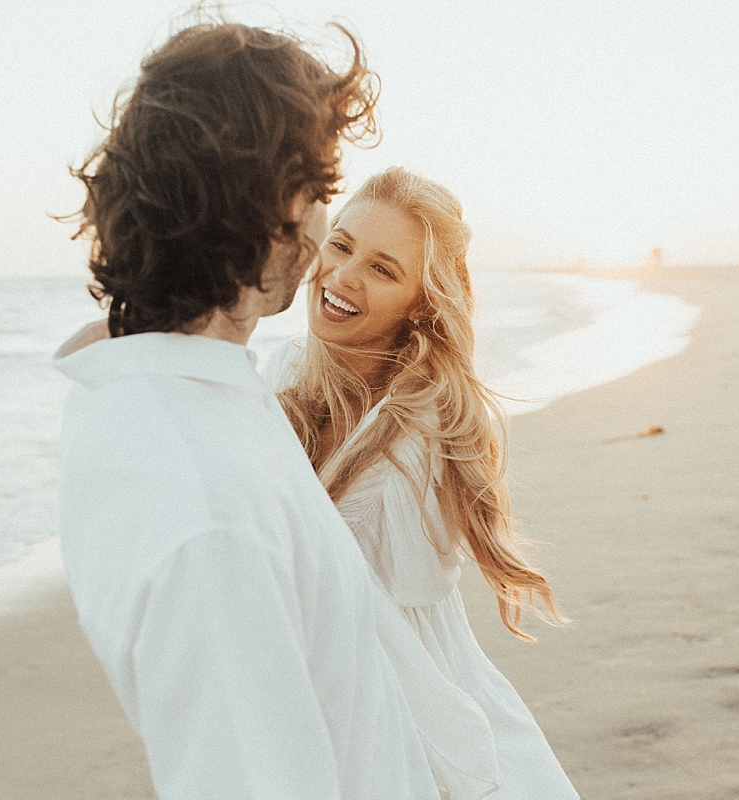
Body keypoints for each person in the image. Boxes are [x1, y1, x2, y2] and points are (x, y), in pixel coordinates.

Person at [53, 23, 496, 799]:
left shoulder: (184, 394)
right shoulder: (209, 516)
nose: (329, 231)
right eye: (321, 194)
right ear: (274, 212)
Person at [266, 167, 580, 799]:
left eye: (384, 270)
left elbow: (388, 602)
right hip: (314, 686)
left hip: (410, 701)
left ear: (422, 301)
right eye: (343, 245)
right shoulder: (285, 373)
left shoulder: (422, 428)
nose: (344, 276)